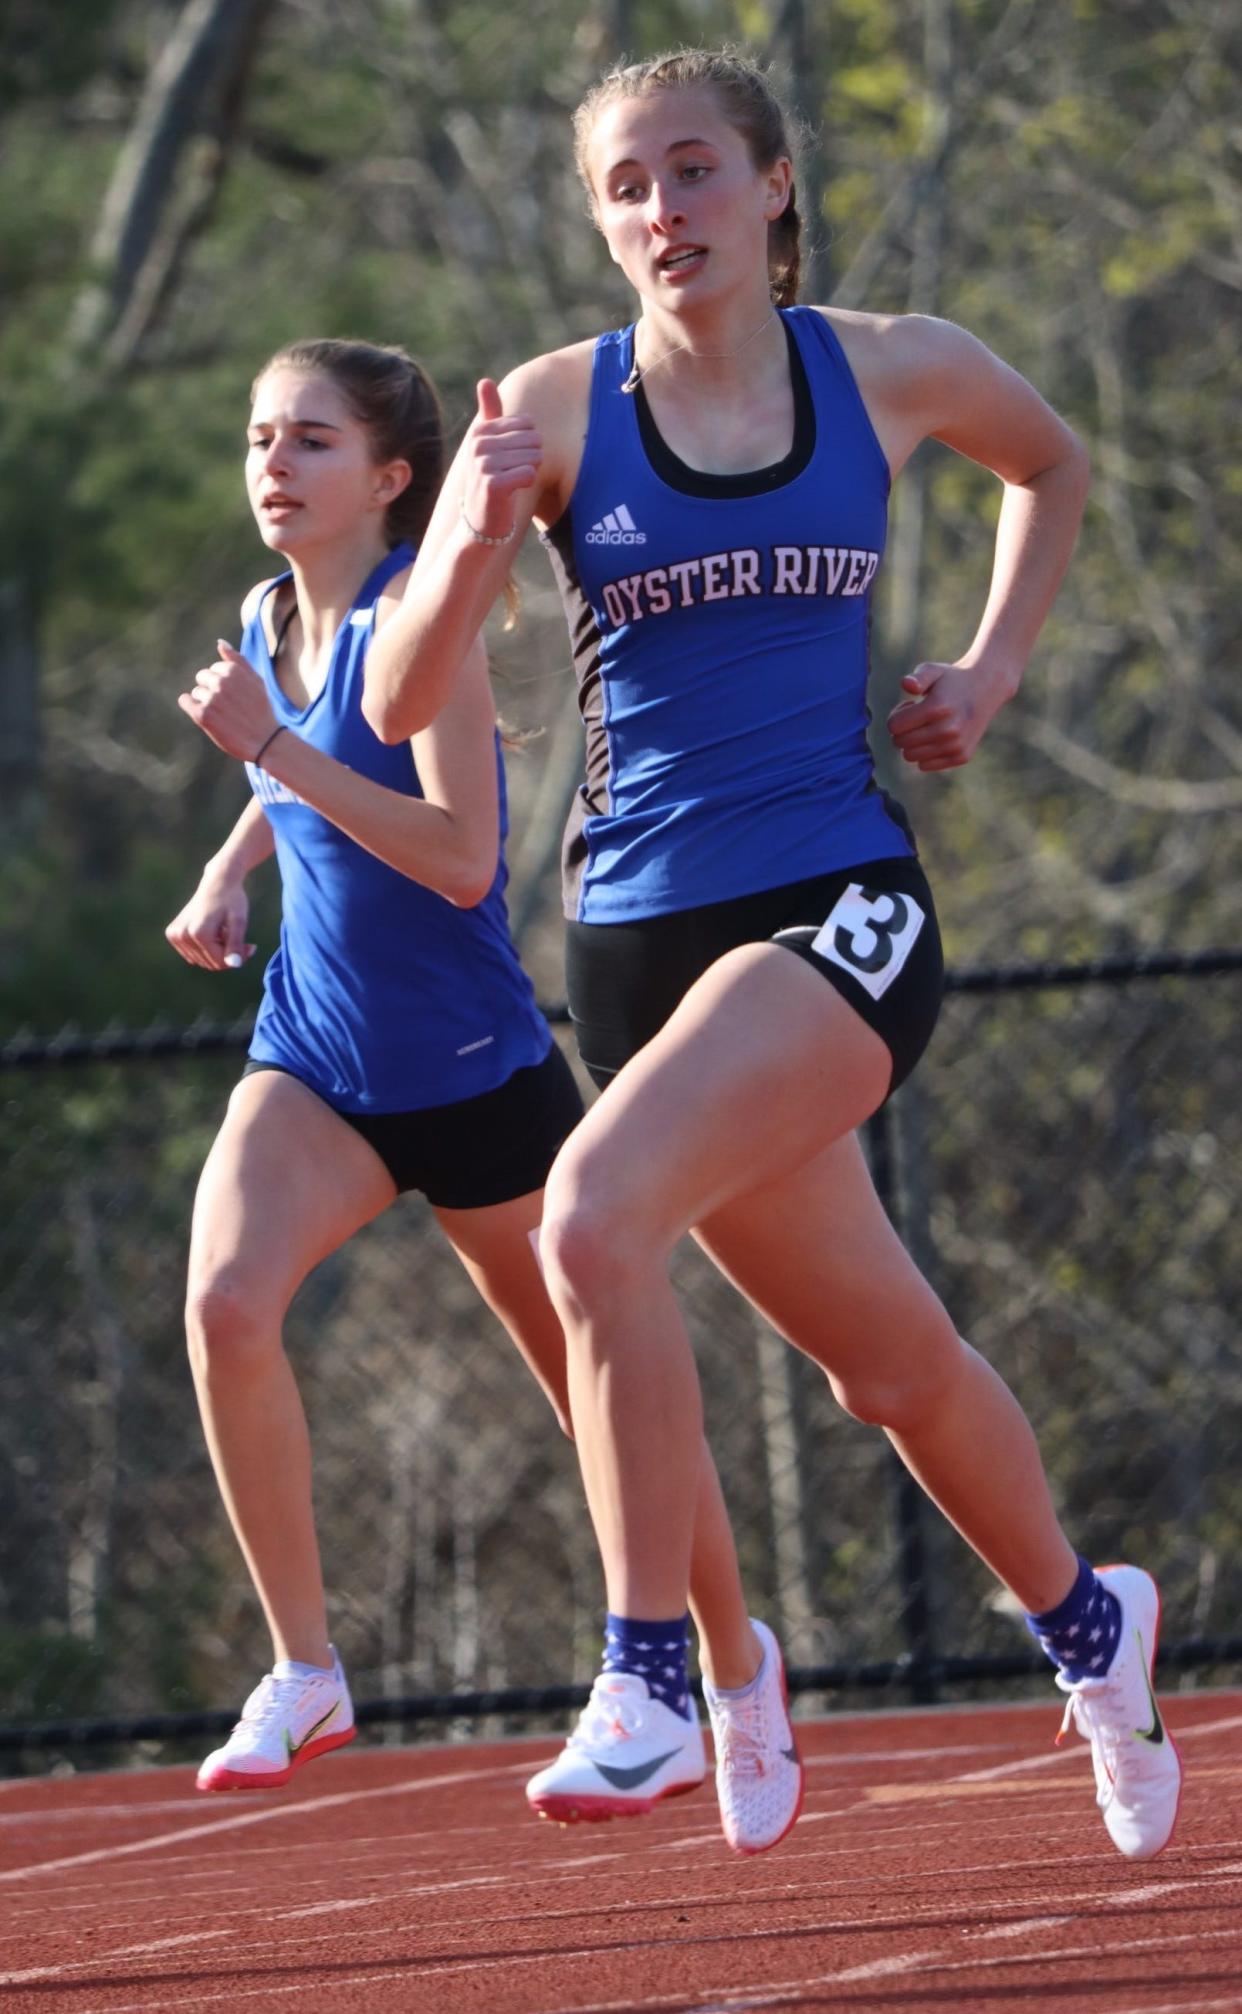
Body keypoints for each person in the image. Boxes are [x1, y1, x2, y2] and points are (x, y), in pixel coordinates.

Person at [362, 50, 1183, 1865]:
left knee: (587, 1220)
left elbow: (1047, 459)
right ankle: (1086, 1621)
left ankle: (655, 1667)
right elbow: (405, 692)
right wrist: (478, 532)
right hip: (638, 946)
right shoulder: (558, 412)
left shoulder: (885, 368)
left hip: (839, 909)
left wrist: (987, 669)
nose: (668, 212)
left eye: (697, 172)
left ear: (773, 186)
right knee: (880, 1370)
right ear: (601, 221)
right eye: (629, 188)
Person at [167, 336, 763, 1819]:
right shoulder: (264, 615)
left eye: (307, 440)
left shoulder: (410, 632)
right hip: (316, 1053)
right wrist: (228, 865)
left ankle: (736, 1668)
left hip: (472, 1071)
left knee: (592, 1398)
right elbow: (279, 767)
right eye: (258, 436)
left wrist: (274, 763)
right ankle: (305, 1669)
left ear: (387, 479)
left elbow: (457, 859)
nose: (270, 463)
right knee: (225, 1304)